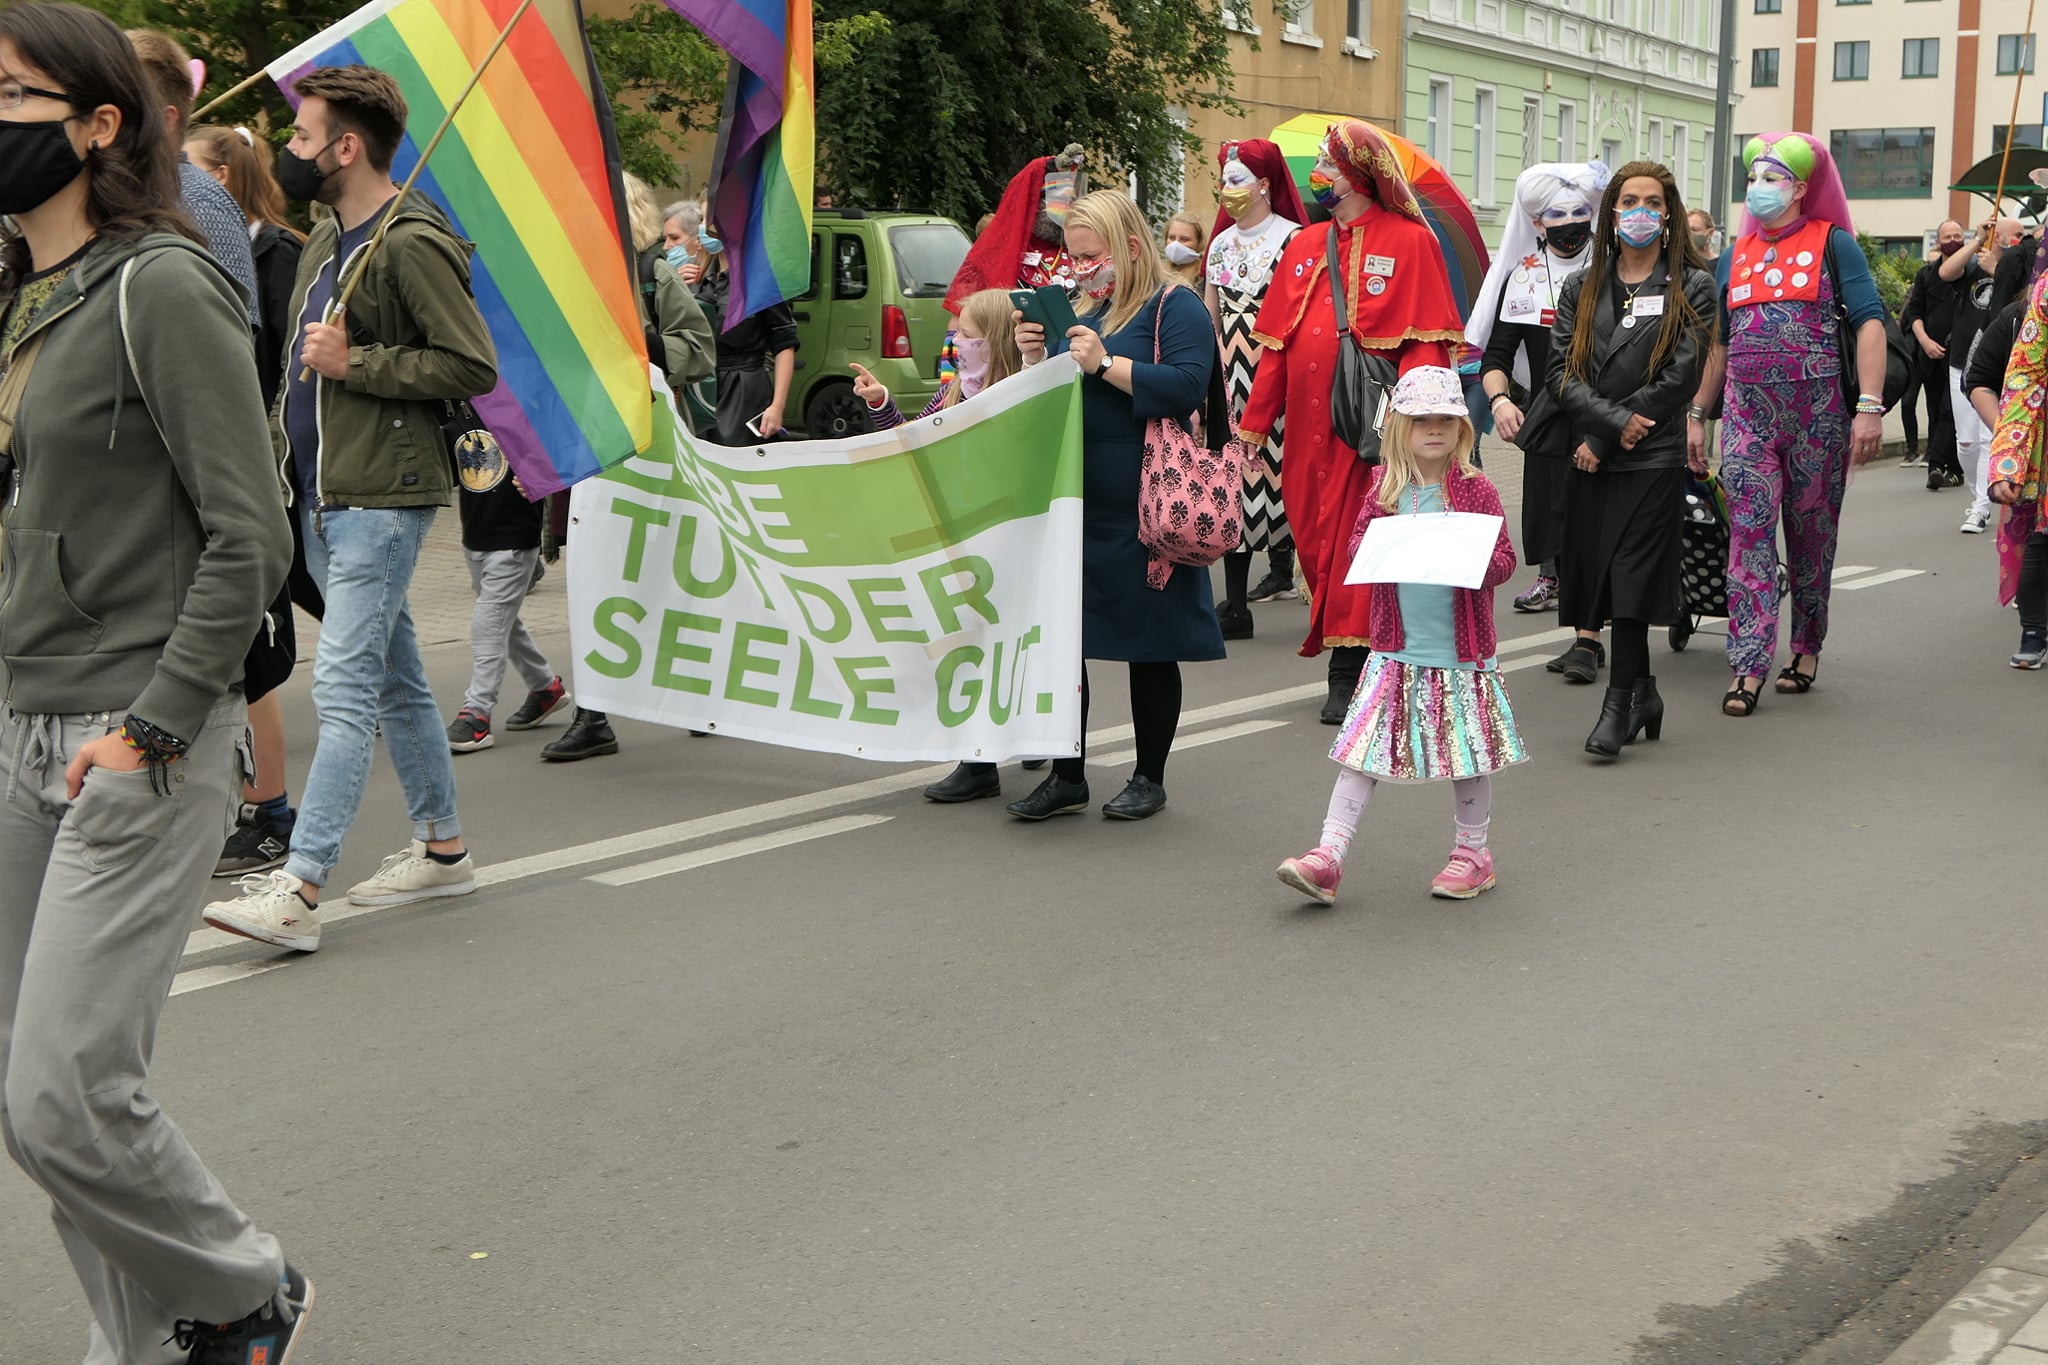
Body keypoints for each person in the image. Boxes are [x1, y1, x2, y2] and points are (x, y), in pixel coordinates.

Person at [0, 5, 311, 1360]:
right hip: (20, 722)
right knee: (31, 1102)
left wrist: (156, 725)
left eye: (8, 94)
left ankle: (240, 1293)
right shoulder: (24, 293)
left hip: (137, 734)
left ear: (97, 124)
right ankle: (156, 1342)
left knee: (67, 1093)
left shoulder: (161, 284)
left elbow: (253, 533)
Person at [202, 63, 497, 952]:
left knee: (343, 686)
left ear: (346, 147)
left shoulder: (411, 240)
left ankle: (299, 885)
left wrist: (356, 362)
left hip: (381, 498)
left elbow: (470, 363)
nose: (288, 150)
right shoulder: (330, 238)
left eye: (301, 136)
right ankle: (443, 849)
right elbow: (295, 371)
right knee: (397, 681)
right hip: (321, 494)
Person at [1006, 189, 1224, 822]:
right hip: (1076, 497)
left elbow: (1188, 385)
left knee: (1149, 642)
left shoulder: (1174, 305)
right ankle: (1067, 775)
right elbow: (1051, 397)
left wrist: (1105, 364)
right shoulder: (1081, 306)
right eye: (1071, 257)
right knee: (1064, 642)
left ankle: (1148, 776)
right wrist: (1033, 354)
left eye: (1088, 255)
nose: (1077, 268)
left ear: (1129, 246)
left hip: (1148, 499)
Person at [1239, 120, 1466, 724]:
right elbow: (1276, 346)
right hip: (1304, 434)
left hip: (1372, 433)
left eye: (1329, 164)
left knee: (1356, 543)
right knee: (1315, 542)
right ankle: (1359, 656)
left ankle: (1349, 669)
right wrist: (1254, 427)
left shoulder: (1412, 242)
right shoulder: (1304, 244)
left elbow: (1424, 347)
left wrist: (1418, 431)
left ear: (1360, 175)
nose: (1318, 174)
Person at [1274, 366, 1522, 906]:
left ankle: (1473, 854)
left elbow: (1505, 559)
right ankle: (1328, 855)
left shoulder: (1476, 489)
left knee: (1466, 758)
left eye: (1445, 420)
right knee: (1360, 755)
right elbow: (1359, 548)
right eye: (1420, 420)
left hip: (1460, 653)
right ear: (1399, 429)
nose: (1433, 429)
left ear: (1462, 428)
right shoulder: (1383, 489)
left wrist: (1471, 559)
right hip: (1394, 652)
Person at [1688, 132, 1887, 716]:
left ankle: (1805, 647)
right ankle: (1748, 665)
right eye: (1754, 177)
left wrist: (1869, 407)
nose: (1759, 188)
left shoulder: (1834, 244)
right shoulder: (1734, 255)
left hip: (1818, 421)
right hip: (1747, 418)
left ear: (1800, 188)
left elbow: (1870, 323)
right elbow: (1720, 344)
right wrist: (1697, 414)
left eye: (1772, 178)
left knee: (1811, 538)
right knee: (1748, 536)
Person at [184, 122, 327, 881]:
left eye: (191, 167)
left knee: (259, 640)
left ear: (219, 178)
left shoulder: (277, 250)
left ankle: (271, 813)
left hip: (271, 459)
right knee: (285, 612)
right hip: (246, 461)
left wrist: (274, 444)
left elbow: (274, 357)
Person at [541, 177, 717, 765]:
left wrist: (643, 344)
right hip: (589, 449)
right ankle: (593, 715)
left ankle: (702, 692)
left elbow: (699, 348)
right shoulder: (567, 279)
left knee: (665, 574)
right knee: (591, 576)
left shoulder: (652, 274)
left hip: (648, 451)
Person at [1548, 161, 1716, 758]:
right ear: (1612, 212)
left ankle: (1618, 703)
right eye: (1629, 201)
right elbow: (1560, 374)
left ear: (1667, 214)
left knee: (1630, 576)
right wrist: (1608, 425)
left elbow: (1680, 376)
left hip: (1652, 456)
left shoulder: (1693, 285)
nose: (1640, 212)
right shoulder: (1581, 286)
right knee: (1599, 574)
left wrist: (1608, 435)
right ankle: (1645, 693)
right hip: (1596, 450)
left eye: (1652, 202)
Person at [853, 287, 1040, 802]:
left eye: (969, 336)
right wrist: (881, 403)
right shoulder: (956, 390)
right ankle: (978, 763)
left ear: (995, 340)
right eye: (957, 335)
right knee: (966, 641)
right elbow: (913, 438)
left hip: (1006, 538)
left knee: (1012, 640)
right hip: (959, 537)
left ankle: (1027, 733)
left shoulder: (1021, 392)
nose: (957, 344)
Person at [1468, 160, 1609, 645]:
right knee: (1549, 504)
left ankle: (1594, 606)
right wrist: (1500, 400)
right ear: (1537, 223)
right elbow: (1496, 356)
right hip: (1547, 409)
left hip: (1607, 406)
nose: (1569, 224)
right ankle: (1553, 578)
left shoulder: (1612, 269)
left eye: (1578, 213)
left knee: (1597, 510)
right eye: (1557, 215)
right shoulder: (1523, 277)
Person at [1205, 139, 1308, 639]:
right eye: (1224, 180)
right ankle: (1235, 603)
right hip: (1229, 376)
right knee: (1236, 480)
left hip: (1279, 372)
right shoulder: (1219, 245)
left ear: (1265, 184)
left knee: (1288, 480)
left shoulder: (1294, 240)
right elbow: (1210, 313)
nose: (1228, 189)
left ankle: (1316, 589)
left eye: (1237, 180)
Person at [126, 29, 257, 326]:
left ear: (165, 120)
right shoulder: (123, 192)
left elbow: (229, 331)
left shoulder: (199, 202)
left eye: (124, 102)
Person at [1968, 291, 2039, 664]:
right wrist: (2011, 444)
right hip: (2035, 452)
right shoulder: (2016, 317)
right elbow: (1978, 379)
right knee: (2038, 540)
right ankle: (2035, 632)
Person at [692, 212, 797, 443]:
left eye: (708, 217)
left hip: (743, 387)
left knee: (734, 454)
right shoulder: (699, 278)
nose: (702, 226)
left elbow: (784, 343)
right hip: (701, 388)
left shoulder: (761, 278)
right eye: (701, 219)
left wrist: (777, 406)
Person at [945, 143, 1087, 310]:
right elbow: (963, 317)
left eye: (1072, 200)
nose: (1069, 210)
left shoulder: (1085, 251)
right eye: (1059, 203)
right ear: (1034, 206)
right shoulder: (995, 254)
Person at [1949, 215, 2019, 534]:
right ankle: (1977, 493)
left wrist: (1998, 271)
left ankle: (1980, 508)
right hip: (1964, 361)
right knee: (1966, 443)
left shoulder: (2017, 265)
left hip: (2003, 366)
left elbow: (2021, 298)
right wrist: (1977, 239)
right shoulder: (1973, 263)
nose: (2018, 240)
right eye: (2013, 234)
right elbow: (1945, 272)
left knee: (1988, 437)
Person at [1900, 219, 1971, 491]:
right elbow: (1914, 313)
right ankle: (1936, 466)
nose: (1953, 241)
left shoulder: (1972, 272)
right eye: (1947, 236)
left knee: (1951, 411)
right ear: (1938, 241)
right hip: (1930, 354)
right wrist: (1925, 341)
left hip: (1961, 356)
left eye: (1957, 236)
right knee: (1934, 411)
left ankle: (1952, 468)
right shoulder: (1925, 275)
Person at [1162, 211, 1206, 288]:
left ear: (1199, 243)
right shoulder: (1157, 273)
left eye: (1184, 239)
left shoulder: (1204, 276)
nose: (1176, 244)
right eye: (1172, 238)